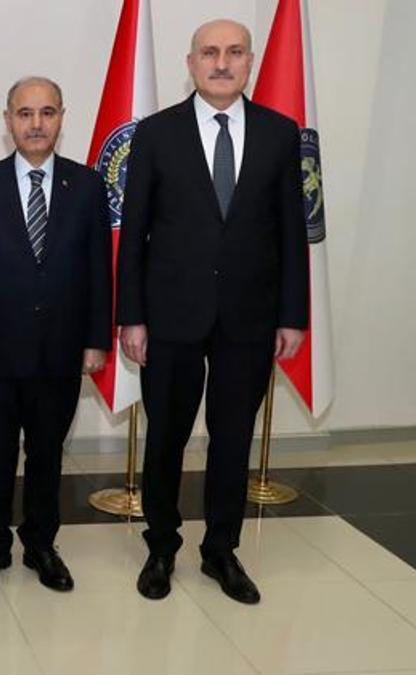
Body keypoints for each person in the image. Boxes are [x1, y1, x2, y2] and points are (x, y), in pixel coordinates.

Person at [116, 19, 308, 604]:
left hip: (250, 317)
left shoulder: (281, 133)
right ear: (191, 62)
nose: (221, 63)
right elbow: (134, 232)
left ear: (249, 61)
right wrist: (131, 316)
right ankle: (161, 546)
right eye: (209, 52)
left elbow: (292, 232)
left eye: (234, 52)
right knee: (166, 437)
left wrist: (293, 315)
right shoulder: (156, 133)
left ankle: (221, 550)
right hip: (170, 316)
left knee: (233, 437)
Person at [0, 77, 111, 592]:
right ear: (8, 120)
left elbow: (99, 270)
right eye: (25, 113)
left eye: (47, 113)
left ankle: (41, 544)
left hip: (61, 349)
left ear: (61, 118)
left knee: (47, 454)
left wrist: (96, 339)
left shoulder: (87, 187)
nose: (36, 124)